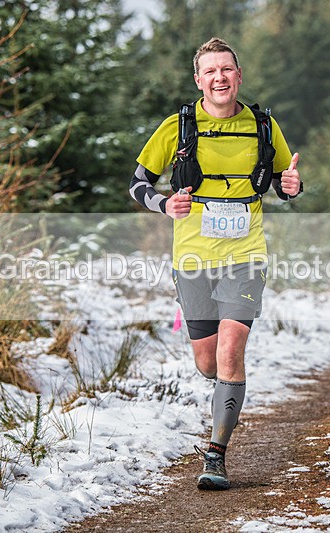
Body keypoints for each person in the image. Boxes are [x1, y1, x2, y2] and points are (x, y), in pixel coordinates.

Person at [128, 37, 302, 490]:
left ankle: (217, 455)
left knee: (231, 348)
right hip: (192, 258)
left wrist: (292, 185)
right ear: (198, 79)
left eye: (227, 69)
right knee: (208, 361)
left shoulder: (263, 125)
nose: (219, 77)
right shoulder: (177, 126)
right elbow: (138, 184)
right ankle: (224, 385)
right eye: (210, 71)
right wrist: (163, 205)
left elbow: (284, 184)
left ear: (239, 75)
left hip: (246, 256)